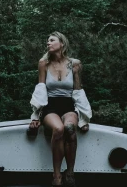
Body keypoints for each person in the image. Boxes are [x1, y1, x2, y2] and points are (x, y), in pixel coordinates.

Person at [28, 32, 92, 187]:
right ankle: (56, 175)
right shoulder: (44, 63)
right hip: (50, 106)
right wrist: (35, 117)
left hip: (68, 105)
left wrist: (84, 118)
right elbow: (40, 89)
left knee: (70, 128)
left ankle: (70, 172)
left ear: (62, 44)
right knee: (58, 129)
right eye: (47, 40)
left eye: (51, 40)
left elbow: (77, 90)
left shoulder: (74, 64)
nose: (48, 43)